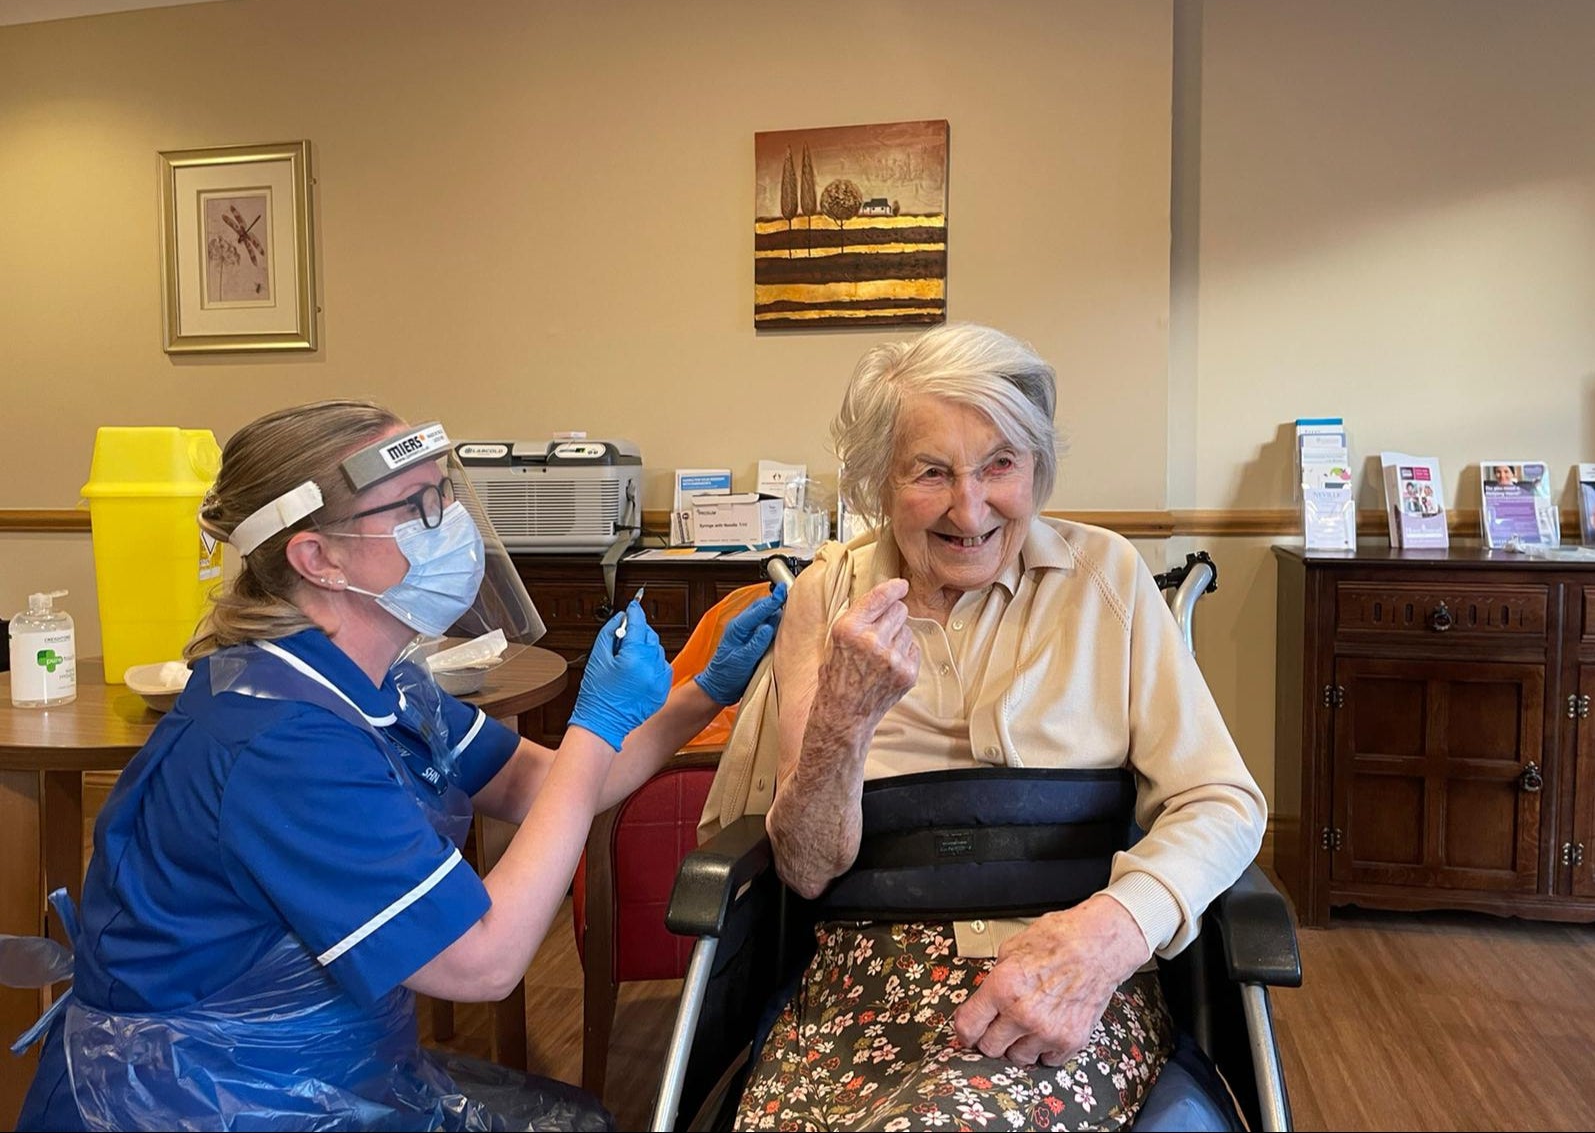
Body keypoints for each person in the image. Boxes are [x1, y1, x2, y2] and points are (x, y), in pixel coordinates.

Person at [14, 400, 784, 1132]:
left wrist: (702, 690)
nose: (447, 524)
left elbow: (560, 787)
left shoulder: (379, 685)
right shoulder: (283, 739)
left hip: (319, 1066)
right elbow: (482, 964)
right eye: (414, 506)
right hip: (202, 1099)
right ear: (316, 556)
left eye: (444, 495)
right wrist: (596, 724)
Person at [733, 324, 1266, 1131]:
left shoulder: (1106, 579)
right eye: (931, 472)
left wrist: (1111, 934)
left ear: (1037, 471)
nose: (969, 508)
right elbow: (806, 870)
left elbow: (1220, 802)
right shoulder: (828, 596)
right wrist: (844, 719)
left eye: (999, 465)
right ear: (878, 480)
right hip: (863, 979)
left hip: (1067, 965)